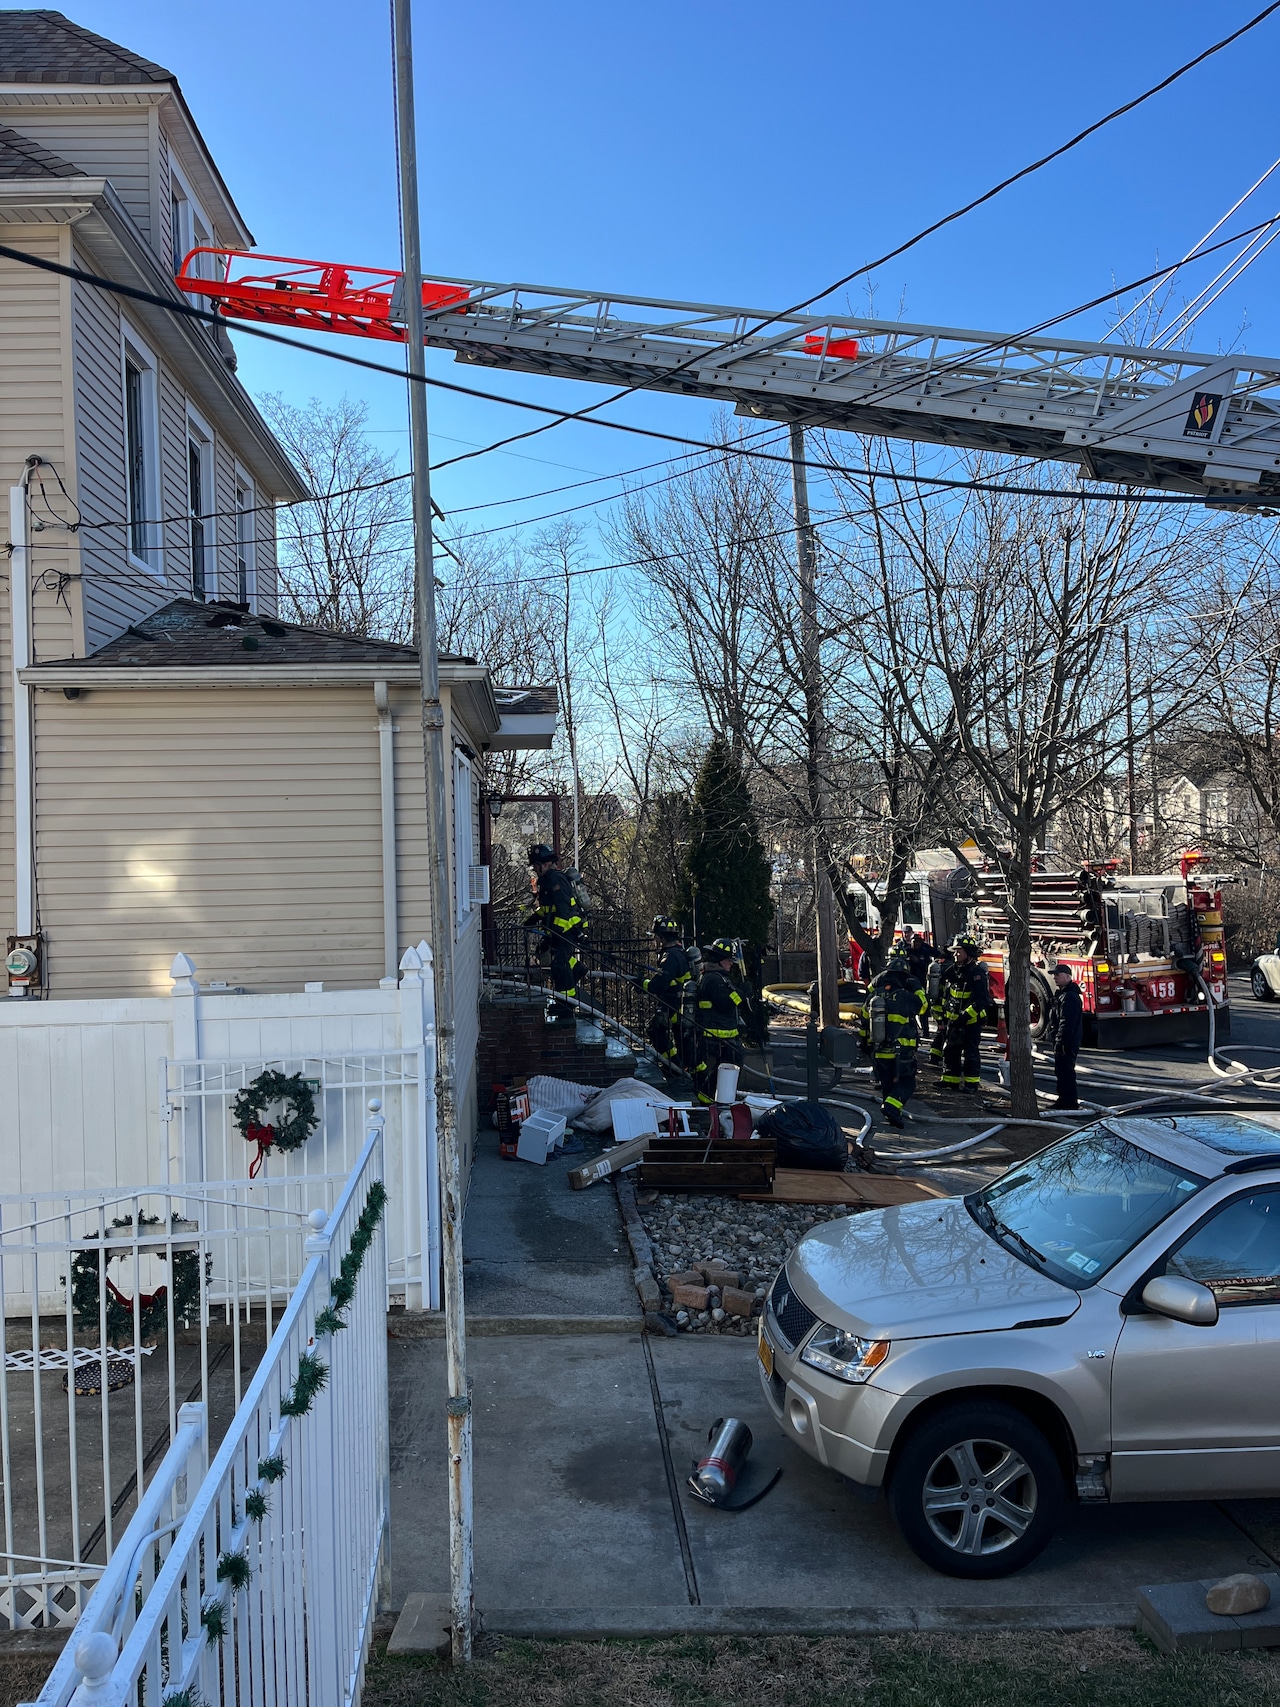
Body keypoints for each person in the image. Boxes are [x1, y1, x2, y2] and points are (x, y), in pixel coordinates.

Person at [862, 945, 928, 1128]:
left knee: (887, 1084)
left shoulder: (875, 995)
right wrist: (917, 987)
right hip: (901, 1052)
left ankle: (892, 1113)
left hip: (879, 1051)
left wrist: (865, 1044)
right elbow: (923, 1006)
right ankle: (891, 1108)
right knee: (906, 1083)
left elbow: (863, 1018)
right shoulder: (905, 996)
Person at [526, 843, 587, 1023]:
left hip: (567, 929)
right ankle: (579, 969)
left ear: (544, 864)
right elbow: (548, 909)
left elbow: (563, 909)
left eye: (536, 866)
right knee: (561, 960)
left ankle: (567, 1004)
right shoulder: (547, 881)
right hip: (558, 929)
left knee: (560, 966)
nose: (535, 870)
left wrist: (558, 931)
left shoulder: (556, 880)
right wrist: (532, 920)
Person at [692, 938, 746, 1104]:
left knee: (728, 1068)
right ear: (720, 960)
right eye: (729, 960)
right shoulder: (712, 979)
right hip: (715, 1036)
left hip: (724, 1035)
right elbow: (724, 1004)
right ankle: (709, 1101)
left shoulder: (720, 977)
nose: (731, 964)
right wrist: (742, 994)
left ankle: (718, 1099)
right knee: (723, 1069)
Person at [641, 915, 692, 1075]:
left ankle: (673, 1065)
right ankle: (676, 1065)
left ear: (661, 937)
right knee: (678, 1037)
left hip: (672, 1004)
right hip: (678, 1003)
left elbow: (659, 984)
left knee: (654, 1029)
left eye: (656, 936)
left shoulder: (670, 957)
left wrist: (641, 983)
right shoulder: (679, 953)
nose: (654, 940)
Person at [939, 935, 989, 1094]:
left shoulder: (977, 973)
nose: (955, 955)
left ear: (968, 953)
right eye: (954, 952)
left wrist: (964, 1017)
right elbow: (946, 994)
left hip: (970, 1022)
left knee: (970, 1053)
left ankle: (971, 1084)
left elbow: (981, 1001)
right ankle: (950, 1081)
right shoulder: (952, 970)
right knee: (950, 1051)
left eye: (959, 952)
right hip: (953, 1021)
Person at [1045, 962, 1084, 1111]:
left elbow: (1066, 1022)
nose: (1054, 977)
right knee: (1061, 1072)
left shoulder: (1069, 997)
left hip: (1066, 1042)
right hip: (1063, 1041)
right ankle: (1063, 1100)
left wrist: (1061, 1041)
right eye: (1054, 975)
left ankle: (1069, 1103)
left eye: (1057, 974)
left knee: (1066, 1072)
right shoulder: (1063, 995)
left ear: (1067, 977)